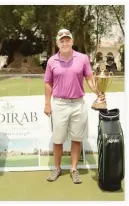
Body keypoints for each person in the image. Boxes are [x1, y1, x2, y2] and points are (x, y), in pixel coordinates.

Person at [44, 28, 99, 184]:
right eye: (61, 40)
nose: (65, 42)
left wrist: (98, 91)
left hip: (78, 104)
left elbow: (89, 78)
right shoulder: (51, 61)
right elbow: (48, 83)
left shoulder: (83, 58)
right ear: (57, 43)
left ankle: (74, 169)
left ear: (72, 41)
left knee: (76, 139)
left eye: (67, 39)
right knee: (58, 139)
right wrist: (47, 103)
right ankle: (57, 168)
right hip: (59, 104)